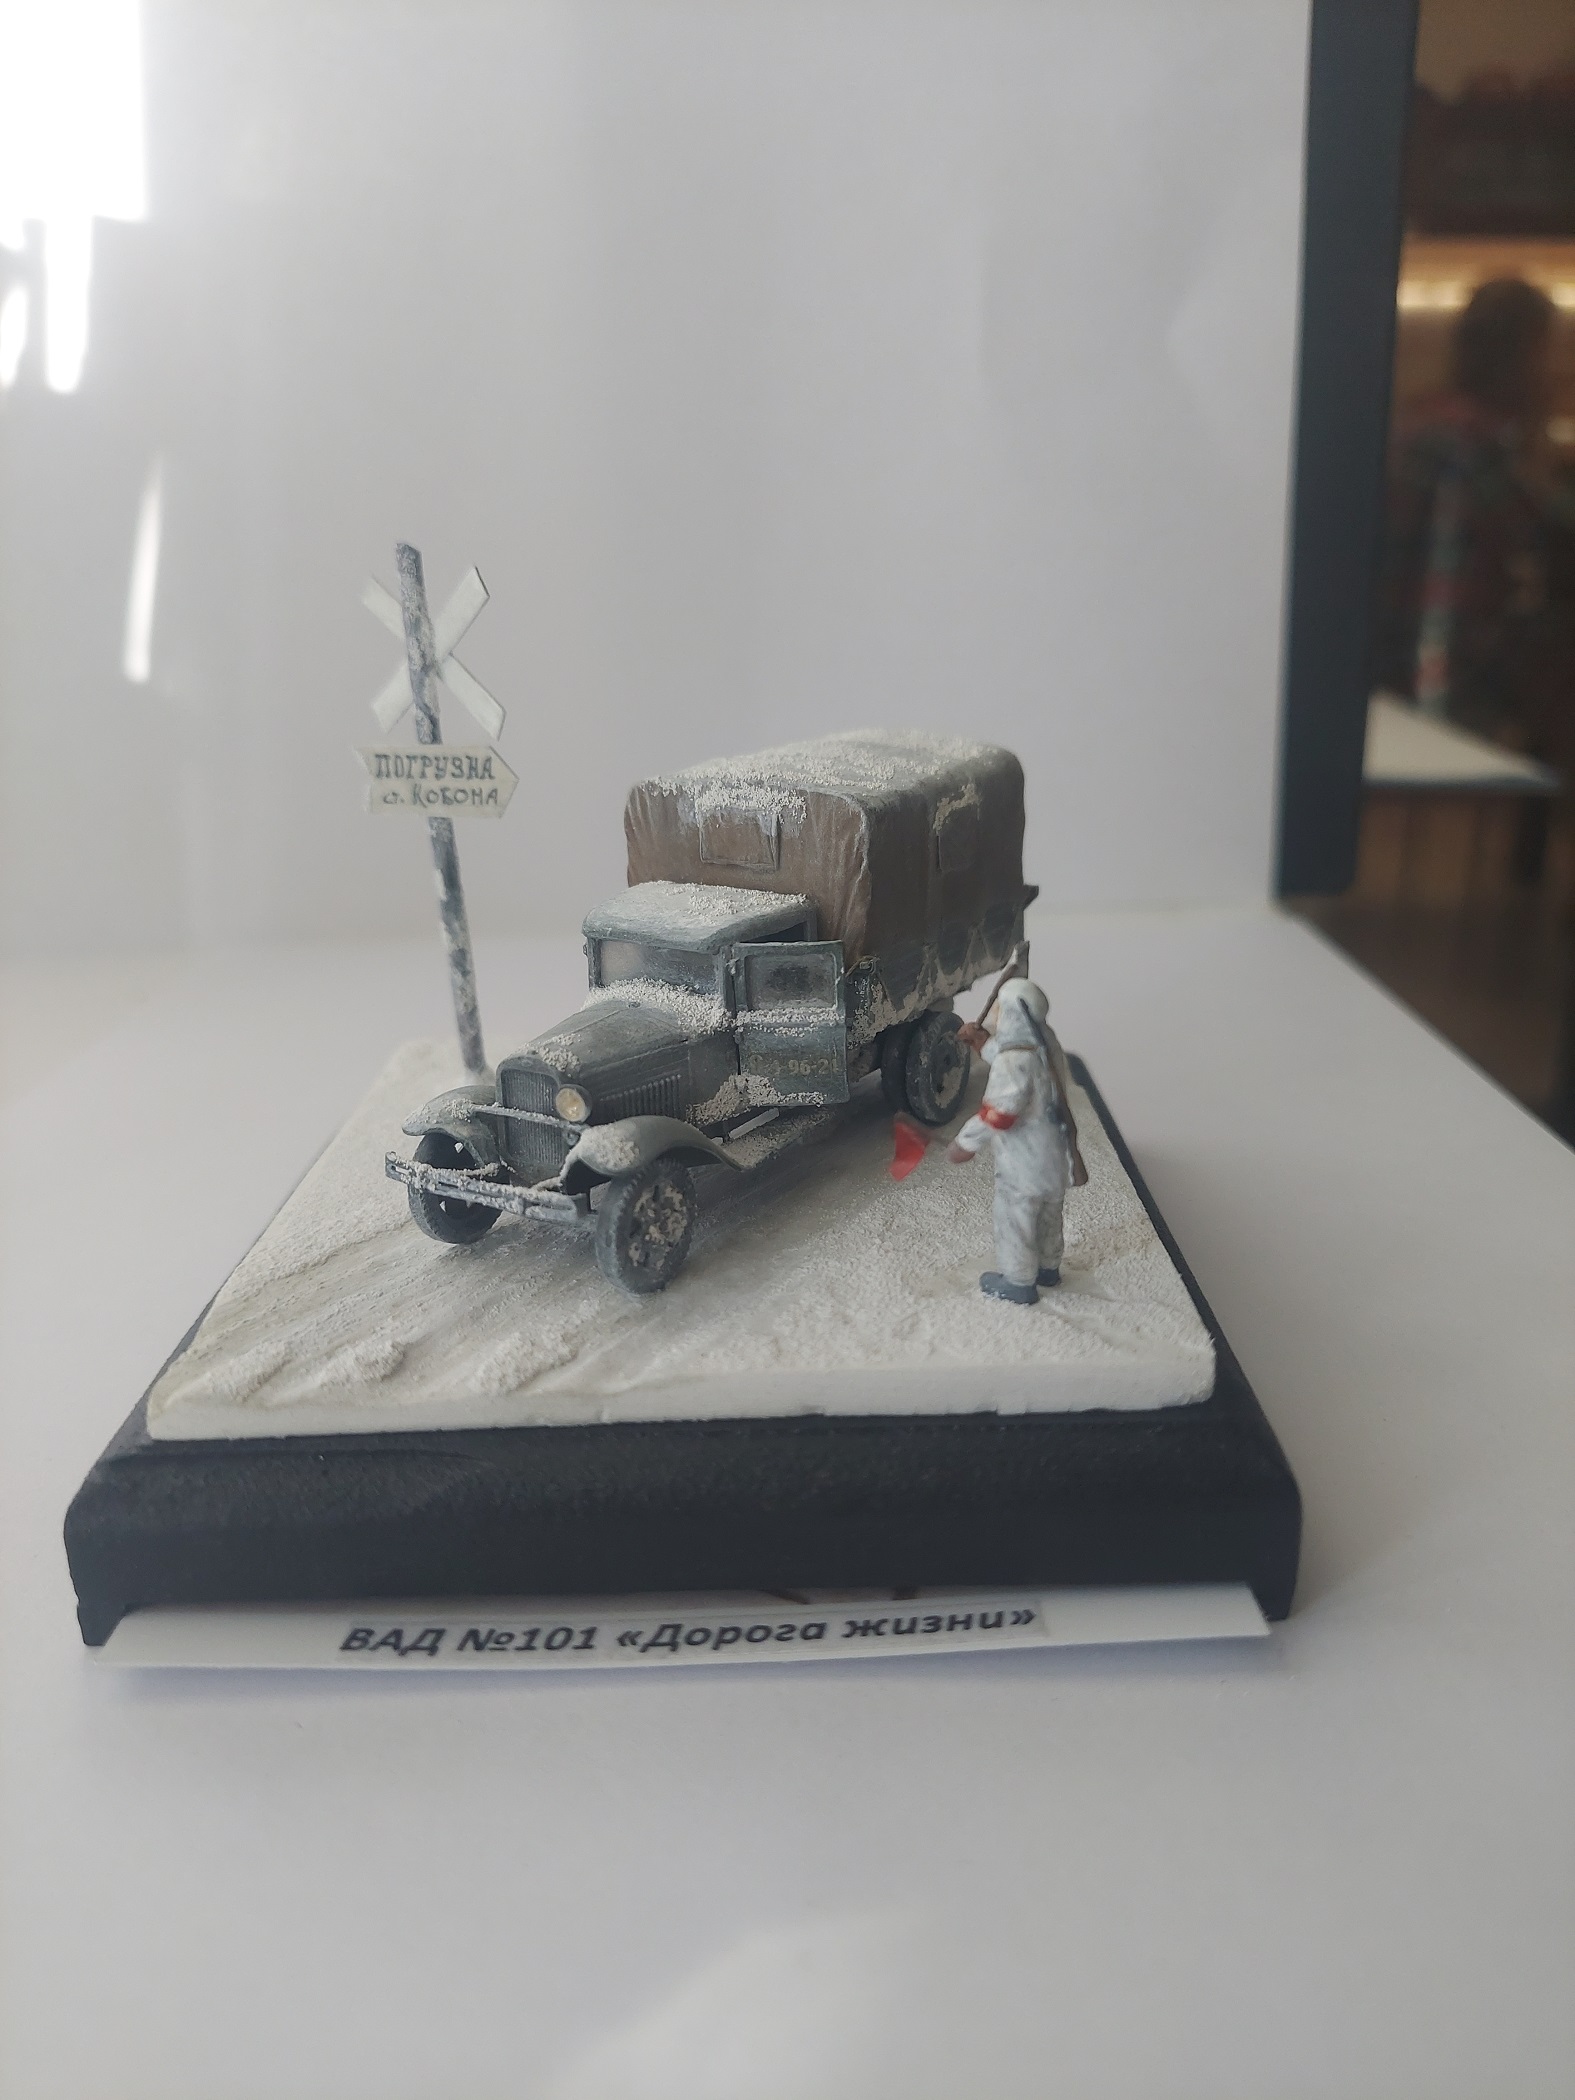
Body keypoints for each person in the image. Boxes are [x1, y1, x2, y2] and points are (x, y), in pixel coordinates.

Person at [1375, 276, 1575, 755]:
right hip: (1449, 721)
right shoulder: (1468, 455)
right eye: (1552, 351)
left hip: (1399, 711)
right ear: (1521, 355)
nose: (1560, 373)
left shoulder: (1422, 429)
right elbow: (1441, 614)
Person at [947, 979, 1087, 1306]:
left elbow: (999, 1114)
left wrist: (965, 1143)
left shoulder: (1014, 1061)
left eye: (1000, 1008)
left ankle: (1018, 1281)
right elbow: (1016, 1054)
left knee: (1016, 1219)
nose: (996, 1012)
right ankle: (1049, 1268)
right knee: (1050, 1214)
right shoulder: (1046, 1042)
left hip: (1023, 1162)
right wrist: (983, 1042)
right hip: (1055, 1155)